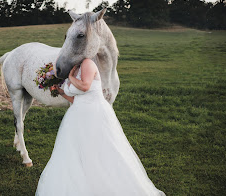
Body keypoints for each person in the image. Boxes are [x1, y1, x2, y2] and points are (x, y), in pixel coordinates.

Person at [35, 58, 165, 196]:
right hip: (76, 116)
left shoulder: (88, 63)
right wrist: (60, 91)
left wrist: (70, 77)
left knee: (100, 150)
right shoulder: (76, 67)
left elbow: (85, 86)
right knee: (74, 151)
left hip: (94, 114)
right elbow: (76, 98)